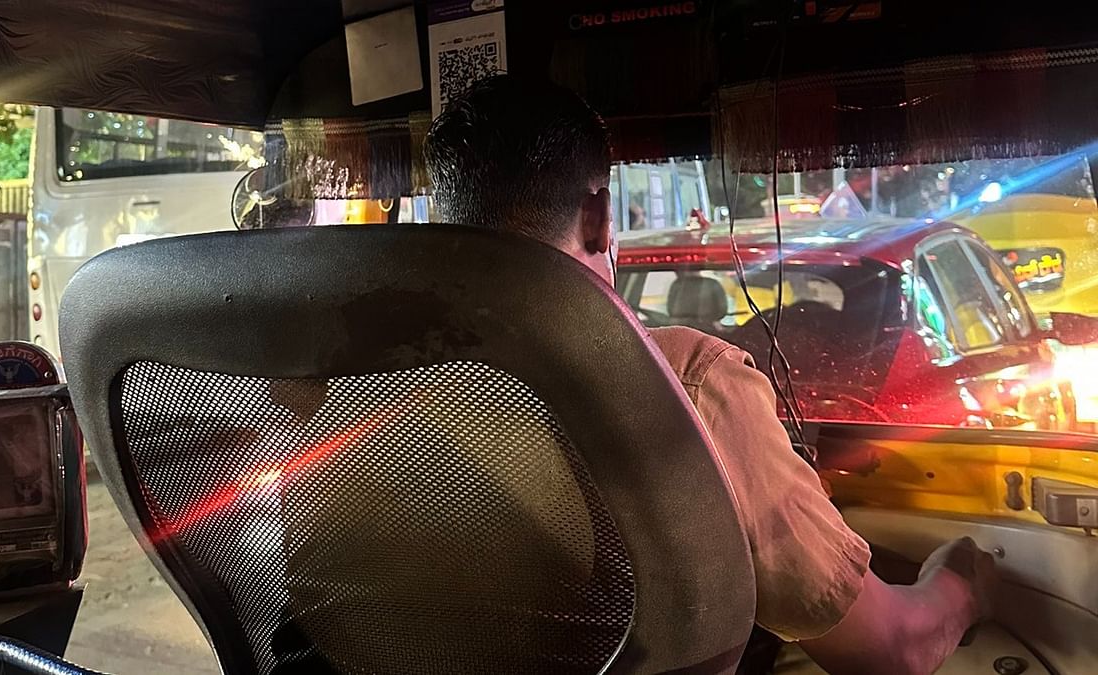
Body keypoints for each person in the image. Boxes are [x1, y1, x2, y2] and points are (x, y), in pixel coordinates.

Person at [424, 74, 997, 675]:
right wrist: (961, 584)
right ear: (598, 217)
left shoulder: (373, 398)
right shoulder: (688, 383)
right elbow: (892, 651)